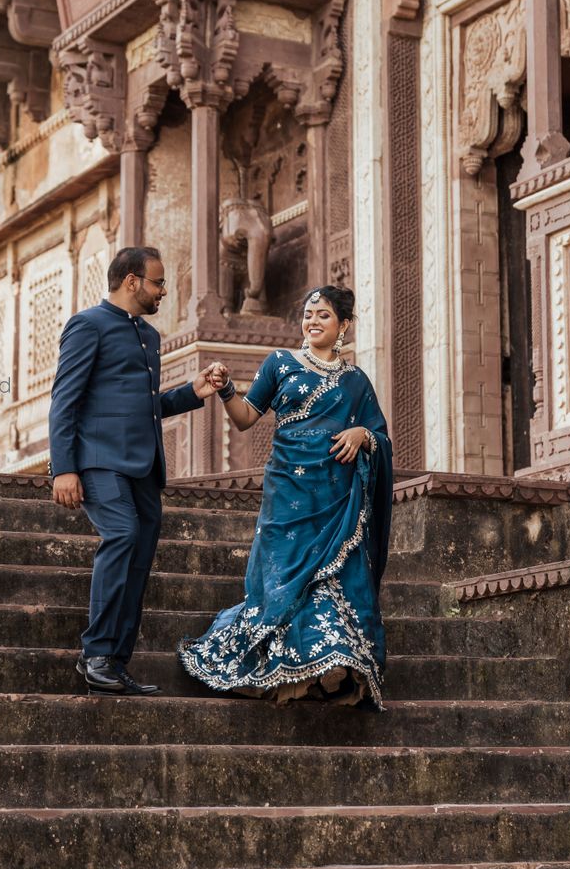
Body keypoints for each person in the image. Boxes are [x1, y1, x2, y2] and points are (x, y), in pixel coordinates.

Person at [179, 286, 393, 709]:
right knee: (281, 579)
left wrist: (362, 434)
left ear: (344, 326)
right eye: (309, 314)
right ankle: (284, 669)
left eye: (324, 316)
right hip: (287, 493)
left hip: (335, 500)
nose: (313, 321)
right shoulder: (278, 363)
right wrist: (225, 391)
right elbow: (245, 418)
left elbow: (380, 435)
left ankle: (328, 670)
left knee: (331, 580)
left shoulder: (356, 382)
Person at [48, 245, 224, 695]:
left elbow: (145, 406)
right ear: (131, 281)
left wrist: (194, 391)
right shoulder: (88, 325)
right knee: (122, 534)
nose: (163, 290)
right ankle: (96, 654)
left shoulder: (149, 336)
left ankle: (116, 662)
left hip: (143, 466)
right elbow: (65, 400)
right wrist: (63, 469)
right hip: (98, 461)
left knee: (141, 555)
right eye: (158, 282)